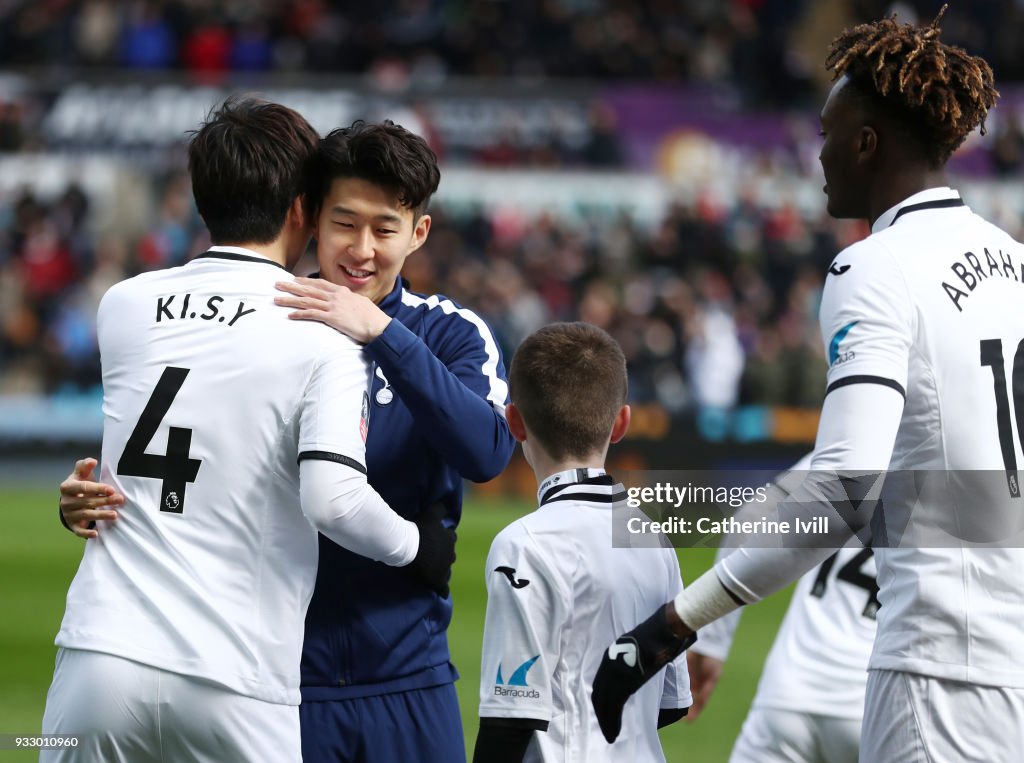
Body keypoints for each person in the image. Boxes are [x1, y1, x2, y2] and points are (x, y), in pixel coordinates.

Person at [593, 9, 1024, 762]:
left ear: (867, 142)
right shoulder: (1012, 261)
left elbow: (844, 486)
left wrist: (676, 620)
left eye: (827, 136)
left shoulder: (874, 267)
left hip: (937, 666)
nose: (817, 157)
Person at [59, 119, 516, 762]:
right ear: (310, 215)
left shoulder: (451, 334)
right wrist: (93, 494)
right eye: (343, 222)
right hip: (279, 679)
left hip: (408, 676)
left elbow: (488, 454)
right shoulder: (280, 324)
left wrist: (383, 334)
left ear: (419, 234)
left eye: (384, 229)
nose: (361, 249)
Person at [472, 322, 691, 763]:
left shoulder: (524, 544)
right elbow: (673, 703)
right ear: (621, 423)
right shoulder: (653, 538)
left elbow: (509, 720)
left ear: (514, 421)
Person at [686, 455, 877, 763]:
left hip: (789, 694)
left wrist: (713, 639)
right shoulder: (972, 456)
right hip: (879, 705)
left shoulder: (861, 437)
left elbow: (750, 521)